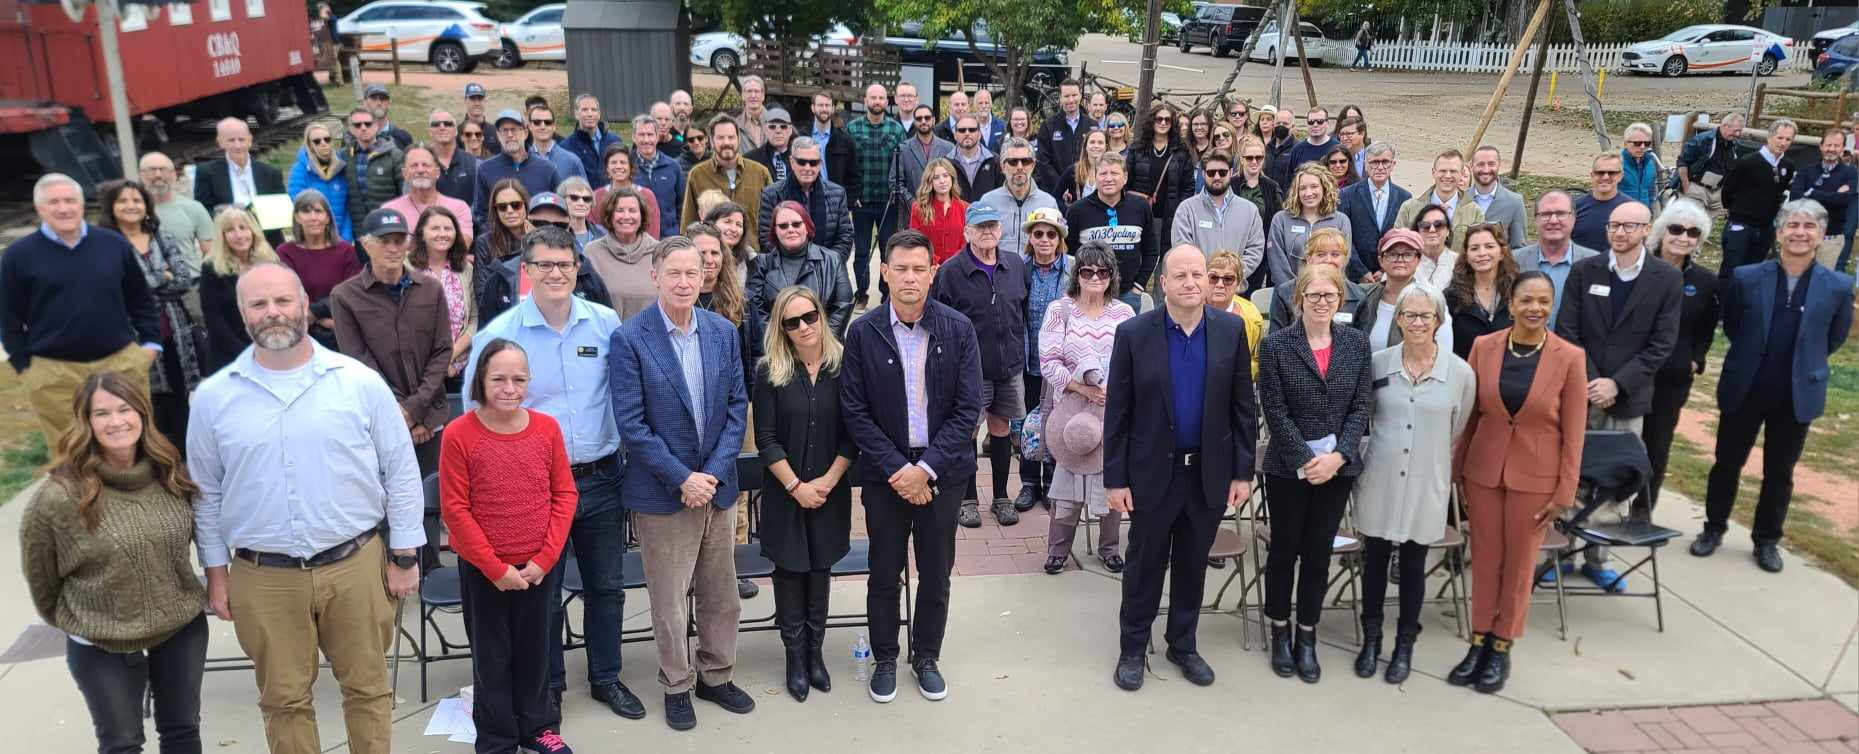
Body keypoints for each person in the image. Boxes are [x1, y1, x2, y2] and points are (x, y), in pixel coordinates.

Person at [187, 262, 424, 754]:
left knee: (368, 690)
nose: (272, 313)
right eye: (258, 304)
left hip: (356, 565)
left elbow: (400, 469)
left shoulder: (358, 383)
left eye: (282, 301)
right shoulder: (213, 399)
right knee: (284, 700)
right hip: (264, 574)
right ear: (242, 314)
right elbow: (205, 492)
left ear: (303, 306)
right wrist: (215, 572)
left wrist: (405, 554)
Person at [463, 225, 639, 721]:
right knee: (545, 593)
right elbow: (474, 414)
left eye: (565, 263)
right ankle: (549, 685)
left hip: (603, 478)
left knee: (606, 586)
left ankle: (606, 677)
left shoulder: (605, 324)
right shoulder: (499, 336)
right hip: (535, 490)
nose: (556, 273)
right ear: (527, 271)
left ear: (577, 267)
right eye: (545, 264)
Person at [22, 372, 208, 754]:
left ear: (142, 413)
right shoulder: (58, 496)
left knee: (182, 732)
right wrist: (82, 620)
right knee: (121, 744)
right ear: (86, 422)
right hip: (101, 640)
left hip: (179, 626)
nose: (116, 421)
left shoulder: (171, 473)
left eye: (125, 409)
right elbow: (42, 580)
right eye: (102, 413)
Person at [610, 236, 753, 730]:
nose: (685, 281)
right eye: (675, 273)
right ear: (655, 276)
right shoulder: (630, 339)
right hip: (663, 494)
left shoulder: (722, 332)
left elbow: (737, 409)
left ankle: (717, 675)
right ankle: (677, 683)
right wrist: (683, 478)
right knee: (670, 601)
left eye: (693, 273)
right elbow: (632, 425)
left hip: (717, 487)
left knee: (721, 593)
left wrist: (710, 474)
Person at [1105, 244, 1256, 691]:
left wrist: (1242, 472)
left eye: (1200, 274)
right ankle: (1132, 648)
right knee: (1144, 566)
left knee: (1192, 565)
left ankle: (1182, 644)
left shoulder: (1230, 330)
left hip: (1207, 475)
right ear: (1163, 284)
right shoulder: (1134, 334)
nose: (1193, 282)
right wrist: (1116, 478)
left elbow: (1242, 407)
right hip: (1152, 474)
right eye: (1182, 276)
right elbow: (1119, 411)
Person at [840, 229, 982, 704]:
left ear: (933, 271)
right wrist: (901, 470)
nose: (910, 277)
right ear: (884, 272)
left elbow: (968, 410)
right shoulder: (863, 331)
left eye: (919, 268)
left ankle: (926, 655)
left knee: (936, 571)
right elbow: (855, 412)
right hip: (887, 476)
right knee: (883, 571)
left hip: (942, 472)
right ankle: (884, 656)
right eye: (900, 268)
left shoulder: (958, 328)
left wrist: (928, 469)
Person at [1694, 199, 1854, 572]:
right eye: (1792, 225)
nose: (1799, 232)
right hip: (1746, 388)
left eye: (1808, 226)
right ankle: (1713, 528)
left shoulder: (1838, 286)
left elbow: (1833, 338)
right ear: (1779, 232)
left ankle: (1766, 540)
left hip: (1796, 394)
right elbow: (1733, 325)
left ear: (1819, 236)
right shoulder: (1748, 277)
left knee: (1779, 473)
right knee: (1726, 463)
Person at [439, 339, 579, 754]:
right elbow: (455, 508)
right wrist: (494, 568)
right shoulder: (459, 434)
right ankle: (498, 738)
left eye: (519, 379)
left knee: (537, 649)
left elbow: (564, 495)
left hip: (539, 565)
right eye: (498, 378)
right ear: (481, 379)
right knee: (492, 655)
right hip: (485, 570)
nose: (509, 387)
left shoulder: (546, 429)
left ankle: (538, 727)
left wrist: (545, 559)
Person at [1452, 271, 1587, 695]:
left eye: (1544, 301)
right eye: (1526, 300)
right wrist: (1457, 473)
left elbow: (1574, 432)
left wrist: (1566, 491)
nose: (1535, 308)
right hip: (1484, 473)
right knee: (1486, 559)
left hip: (1536, 478)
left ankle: (1502, 644)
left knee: (1519, 565)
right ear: (1510, 304)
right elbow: (1471, 416)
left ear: (1552, 305)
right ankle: (1478, 640)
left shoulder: (1570, 358)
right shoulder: (1484, 347)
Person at [1554, 200, 1682, 591]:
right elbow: (1567, 330)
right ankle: (1561, 555)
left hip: (1629, 397)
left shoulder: (1665, 279)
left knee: (1616, 479)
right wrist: (1592, 380)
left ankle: (1600, 558)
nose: (1620, 232)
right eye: (1614, 225)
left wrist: (1617, 383)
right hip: (1582, 391)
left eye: (1629, 226)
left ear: (1647, 230)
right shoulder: (1584, 270)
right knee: (1573, 472)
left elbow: (1662, 344)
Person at [1256, 262, 1373, 684]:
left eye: (1329, 296)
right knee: (1285, 550)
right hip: (1290, 468)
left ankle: (1307, 633)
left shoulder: (1357, 345)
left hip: (1337, 470)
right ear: (1298, 300)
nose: (1321, 302)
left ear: (1340, 300)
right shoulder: (1276, 346)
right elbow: (1275, 409)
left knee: (1318, 554)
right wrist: (1307, 458)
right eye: (1313, 296)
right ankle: (1280, 628)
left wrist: (1338, 457)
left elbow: (1362, 407)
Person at [1352, 282, 1473, 684]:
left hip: (1426, 479)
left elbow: (1458, 427)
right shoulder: (1379, 364)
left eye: (1426, 316)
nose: (1417, 322)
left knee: (1415, 565)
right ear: (1398, 319)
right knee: (1374, 561)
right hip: (1381, 475)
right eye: (1409, 315)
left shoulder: (1459, 373)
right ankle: (1371, 638)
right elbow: (1364, 417)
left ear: (1439, 321)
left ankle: (1405, 643)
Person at [752, 285, 856, 702]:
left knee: (819, 571)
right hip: (786, 493)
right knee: (790, 571)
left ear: (820, 316)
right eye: (792, 321)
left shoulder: (843, 366)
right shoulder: (770, 372)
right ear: (782, 327)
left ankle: (816, 654)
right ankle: (794, 657)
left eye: (809, 316)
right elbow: (766, 439)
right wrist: (796, 487)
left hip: (830, 490)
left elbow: (852, 436)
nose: (803, 327)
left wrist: (827, 482)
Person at [329, 208, 454, 472]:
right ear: (365, 244)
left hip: (432, 417)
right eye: (384, 241)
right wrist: (401, 413)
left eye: (399, 241)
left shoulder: (431, 289)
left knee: (436, 498)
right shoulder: (345, 297)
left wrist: (416, 409)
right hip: (380, 417)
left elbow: (442, 350)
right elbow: (359, 361)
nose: (393, 248)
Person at [931, 203, 1030, 528]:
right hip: (968, 369)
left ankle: (1001, 497)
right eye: (980, 226)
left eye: (992, 226)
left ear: (1000, 230)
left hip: (1009, 364)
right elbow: (939, 320)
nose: (987, 232)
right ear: (967, 232)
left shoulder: (1015, 265)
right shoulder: (951, 272)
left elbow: (1023, 310)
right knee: (967, 432)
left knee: (1001, 429)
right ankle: (968, 499)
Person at [1036, 240, 1132, 573]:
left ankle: (1110, 547)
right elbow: (1048, 362)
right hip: (1071, 409)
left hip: (1114, 406)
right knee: (1067, 480)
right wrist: (1084, 389)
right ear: (1078, 274)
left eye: (1102, 271)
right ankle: (1058, 551)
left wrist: (1112, 391)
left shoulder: (1124, 313)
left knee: (1112, 475)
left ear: (1111, 275)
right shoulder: (1059, 310)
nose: (1095, 277)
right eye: (1087, 270)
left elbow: (1134, 361)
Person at [94, 179, 204, 453]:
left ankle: (183, 464)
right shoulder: (105, 243)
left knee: (180, 401)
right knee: (144, 403)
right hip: (133, 339)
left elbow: (182, 280)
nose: (131, 206)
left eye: (137, 200)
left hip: (175, 333)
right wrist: (160, 276)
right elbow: (116, 290)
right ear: (111, 207)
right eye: (123, 201)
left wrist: (146, 284)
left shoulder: (161, 236)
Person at [1639, 200, 1718, 510]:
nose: (1683, 238)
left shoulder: (1704, 281)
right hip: (1632, 371)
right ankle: (1610, 502)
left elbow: (1707, 326)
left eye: (1692, 233)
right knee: (1622, 440)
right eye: (1676, 229)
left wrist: (1697, 357)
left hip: (1672, 377)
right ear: (1662, 230)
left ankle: (1643, 510)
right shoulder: (1639, 267)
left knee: (1657, 445)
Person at [1017, 209, 1071, 514]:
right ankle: (1029, 483)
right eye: (1038, 234)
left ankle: (1052, 483)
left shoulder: (1073, 269)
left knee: (1055, 423)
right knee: (1029, 423)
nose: (1045, 240)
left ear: (1060, 238)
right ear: (1030, 238)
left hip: (1062, 364)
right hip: (1028, 361)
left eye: (1051, 234)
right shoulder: (1019, 268)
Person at [1066, 155, 1157, 311]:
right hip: (1090, 294)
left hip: (1129, 295)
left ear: (1125, 177)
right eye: (1103, 174)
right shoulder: (1077, 211)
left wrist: (1138, 286)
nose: (1108, 178)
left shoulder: (1140, 207)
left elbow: (1151, 251)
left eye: (1114, 173)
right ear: (1095, 177)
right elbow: (1069, 255)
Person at [749, 201, 855, 334]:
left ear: (806, 226)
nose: (790, 229)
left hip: (824, 346)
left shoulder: (832, 260)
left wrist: (820, 343)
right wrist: (779, 345)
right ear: (775, 231)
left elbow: (843, 306)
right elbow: (756, 312)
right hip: (776, 349)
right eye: (783, 226)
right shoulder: (761, 264)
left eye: (796, 224)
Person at [847, 84, 908, 305]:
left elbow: (902, 164)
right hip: (861, 200)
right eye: (873, 97)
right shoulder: (852, 129)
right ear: (865, 101)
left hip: (888, 200)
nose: (877, 101)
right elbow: (848, 165)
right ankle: (861, 293)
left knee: (887, 250)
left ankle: (886, 295)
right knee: (862, 250)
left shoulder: (896, 129)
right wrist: (851, 194)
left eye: (881, 98)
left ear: (886, 101)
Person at [198, 206, 279, 372]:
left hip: (269, 349)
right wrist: (244, 352)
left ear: (253, 231)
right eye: (230, 230)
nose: (239, 235)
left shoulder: (269, 262)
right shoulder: (211, 267)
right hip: (229, 354)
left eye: (243, 228)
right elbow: (213, 318)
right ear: (222, 236)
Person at [275, 190, 358, 350]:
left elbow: (351, 292)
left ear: (327, 217)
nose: (313, 217)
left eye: (319, 211)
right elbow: (288, 292)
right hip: (299, 330)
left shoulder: (346, 251)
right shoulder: (285, 252)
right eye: (306, 211)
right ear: (297, 217)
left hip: (341, 329)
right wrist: (316, 319)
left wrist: (317, 313)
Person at [1172, 151, 1265, 290]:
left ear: (1231, 172)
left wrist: (1231, 275)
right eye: (1211, 173)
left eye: (1222, 172)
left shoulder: (1249, 210)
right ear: (1203, 174)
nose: (1217, 177)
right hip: (1199, 290)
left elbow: (1255, 249)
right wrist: (1205, 276)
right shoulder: (1186, 209)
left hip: (1235, 291)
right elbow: (1182, 248)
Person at [757, 136, 855, 259]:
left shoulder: (838, 194)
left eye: (813, 163)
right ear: (792, 162)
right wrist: (793, 264)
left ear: (820, 164)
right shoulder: (771, 194)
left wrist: (827, 265)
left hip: (827, 271)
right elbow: (766, 238)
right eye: (802, 162)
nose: (807, 168)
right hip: (785, 271)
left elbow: (845, 237)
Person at [411, 206, 476, 388]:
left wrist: (450, 356)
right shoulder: (406, 268)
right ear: (421, 234)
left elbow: (474, 320)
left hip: (459, 367)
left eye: (448, 228)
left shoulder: (466, 269)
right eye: (435, 228)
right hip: (418, 368)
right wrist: (435, 363)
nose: (442, 234)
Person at [1358, 228, 1455, 351]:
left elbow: (1443, 354)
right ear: (1381, 260)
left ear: (1418, 260)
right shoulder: (1362, 295)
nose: (1400, 259)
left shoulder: (1432, 302)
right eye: (1392, 254)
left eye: (1408, 254)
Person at [1512, 190, 1600, 322]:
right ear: (1535, 219)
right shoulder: (1514, 261)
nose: (1553, 220)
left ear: (1574, 218)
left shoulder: (1595, 263)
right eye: (1546, 214)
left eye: (1561, 213)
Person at [683, 115, 775, 234]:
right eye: (720, 138)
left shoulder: (760, 173)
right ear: (711, 141)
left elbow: (773, 219)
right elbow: (688, 224)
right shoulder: (697, 175)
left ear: (739, 139)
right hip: (713, 250)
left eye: (731, 137)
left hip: (754, 250)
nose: (726, 142)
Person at [475, 109, 563, 233]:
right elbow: (481, 214)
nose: (510, 135)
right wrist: (496, 238)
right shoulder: (485, 170)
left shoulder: (547, 169)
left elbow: (560, 209)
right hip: (501, 245)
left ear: (526, 133)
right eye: (504, 130)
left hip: (539, 242)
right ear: (498, 135)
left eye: (514, 129)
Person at [1266, 163, 1353, 287]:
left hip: (1329, 293)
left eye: (1314, 186)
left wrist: (1322, 290)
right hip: (1288, 294)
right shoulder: (1281, 219)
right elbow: (1276, 261)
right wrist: (1295, 291)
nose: (1308, 193)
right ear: (1296, 191)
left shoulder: (1341, 220)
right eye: (1303, 188)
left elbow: (1344, 258)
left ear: (1324, 188)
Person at [1267, 227, 1367, 332]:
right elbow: (1275, 339)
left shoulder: (1359, 296)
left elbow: (1361, 342)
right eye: (1321, 254)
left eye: (1335, 254)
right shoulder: (1284, 292)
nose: (1328, 260)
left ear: (1345, 259)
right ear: (1309, 259)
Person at [976, 137, 1061, 258]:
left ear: (1033, 165)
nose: (1020, 167)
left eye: (1025, 161)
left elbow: (1057, 247)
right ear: (1002, 166)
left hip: (1035, 274)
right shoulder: (988, 202)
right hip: (998, 273)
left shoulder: (1048, 203)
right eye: (1013, 162)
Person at [584, 186, 661, 319]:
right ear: (610, 215)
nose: (626, 216)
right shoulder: (592, 252)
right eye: (620, 210)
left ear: (642, 215)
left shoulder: (659, 252)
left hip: (651, 336)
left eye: (632, 211)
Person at [1338, 142, 1411, 282]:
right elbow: (1344, 237)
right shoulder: (1347, 195)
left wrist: (1386, 270)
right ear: (1365, 165)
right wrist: (1361, 272)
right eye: (1374, 162)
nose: (1380, 167)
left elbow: (1404, 238)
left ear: (1393, 164)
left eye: (1385, 162)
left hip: (1391, 276)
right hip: (1355, 278)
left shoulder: (1405, 198)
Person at [1445, 224, 1519, 359]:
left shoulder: (1518, 292)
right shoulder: (1452, 297)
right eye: (1474, 248)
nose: (1482, 253)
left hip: (1510, 374)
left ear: (1502, 253)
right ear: (1466, 255)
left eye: (1489, 246)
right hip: (1467, 374)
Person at [1128, 102, 1196, 248]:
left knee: (1166, 254)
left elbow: (1188, 186)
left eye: (1168, 120)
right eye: (1159, 119)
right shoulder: (1137, 149)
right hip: (1140, 211)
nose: (1163, 123)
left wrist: (1179, 208)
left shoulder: (1181, 152)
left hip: (1170, 215)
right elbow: (1127, 181)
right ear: (1152, 121)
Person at [1788, 128, 1856, 269]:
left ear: (1843, 148)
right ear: (1821, 146)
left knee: (1821, 283)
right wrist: (1834, 195)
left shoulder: (1850, 173)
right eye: (1828, 145)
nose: (1832, 149)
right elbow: (1795, 198)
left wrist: (1811, 193)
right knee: (1796, 278)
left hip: (1831, 237)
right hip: (1803, 235)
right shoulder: (1806, 171)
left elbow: (1845, 200)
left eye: (1836, 146)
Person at [382, 145, 475, 244]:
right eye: (414, 166)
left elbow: (461, 247)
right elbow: (389, 248)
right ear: (404, 173)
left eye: (426, 165)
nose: (420, 170)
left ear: (438, 172)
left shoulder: (458, 208)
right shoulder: (390, 211)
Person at [1395, 149, 1484, 251]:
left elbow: (1478, 252)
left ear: (1462, 173)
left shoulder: (1475, 212)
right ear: (1433, 172)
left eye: (1453, 171)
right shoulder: (1409, 209)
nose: (1447, 176)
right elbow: (1398, 247)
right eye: (1443, 171)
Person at [194, 117, 285, 213]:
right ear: (220, 142)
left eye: (241, 139)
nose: (237, 146)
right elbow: (203, 212)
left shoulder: (271, 173)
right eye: (231, 140)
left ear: (249, 140)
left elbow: (280, 211)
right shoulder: (207, 173)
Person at [286, 121, 356, 240]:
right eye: (317, 141)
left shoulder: (342, 167)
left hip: (342, 238)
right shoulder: (300, 170)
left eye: (327, 139)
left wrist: (346, 237)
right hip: (313, 237)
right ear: (309, 145)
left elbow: (349, 206)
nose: (323, 143)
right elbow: (299, 204)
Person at [891, 105, 958, 227]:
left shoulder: (949, 148)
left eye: (927, 118)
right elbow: (895, 182)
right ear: (914, 122)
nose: (923, 121)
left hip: (943, 212)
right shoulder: (903, 149)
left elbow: (954, 179)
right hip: (911, 214)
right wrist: (914, 204)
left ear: (933, 120)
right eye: (919, 118)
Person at [140, 151, 216, 259]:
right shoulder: (134, 211)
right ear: (141, 175)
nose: (158, 175)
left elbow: (212, 253)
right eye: (152, 170)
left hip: (191, 275)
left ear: (174, 175)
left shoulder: (194, 208)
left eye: (163, 169)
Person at [1204, 250, 1266, 380]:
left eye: (1228, 279)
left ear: (1238, 285)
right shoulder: (1190, 311)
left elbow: (1256, 360)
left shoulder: (1251, 317)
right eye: (1213, 278)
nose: (1220, 285)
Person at [1571, 152, 1644, 253]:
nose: (1605, 177)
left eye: (1612, 173)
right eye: (1600, 172)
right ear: (1592, 175)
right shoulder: (1574, 207)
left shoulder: (1633, 210)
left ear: (1620, 176)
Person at [1675, 112, 1747, 214]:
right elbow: (1682, 162)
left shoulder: (1734, 145)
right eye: (1736, 131)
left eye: (1740, 131)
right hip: (1697, 188)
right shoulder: (1702, 140)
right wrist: (1687, 187)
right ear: (1725, 126)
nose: (1738, 134)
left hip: (1717, 192)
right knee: (1694, 224)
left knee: (1707, 226)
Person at [631, 115, 686, 234]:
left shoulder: (673, 167)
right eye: (641, 135)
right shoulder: (626, 167)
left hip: (669, 237)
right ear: (634, 137)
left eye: (650, 135)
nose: (646, 140)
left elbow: (682, 204)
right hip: (637, 238)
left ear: (657, 137)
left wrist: (678, 232)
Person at [592, 146, 662, 239]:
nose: (618, 166)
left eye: (623, 162)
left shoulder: (647, 195)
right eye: (613, 163)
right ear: (607, 168)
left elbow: (652, 230)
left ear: (631, 167)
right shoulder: (597, 196)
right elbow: (593, 229)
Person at [473, 178, 534, 283]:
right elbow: (482, 291)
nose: (509, 211)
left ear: (526, 205)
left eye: (516, 205)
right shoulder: (484, 243)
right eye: (502, 207)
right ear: (495, 211)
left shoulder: (540, 238)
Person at [1466, 146, 1528, 250]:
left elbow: (1519, 249)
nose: (1486, 170)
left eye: (1491, 164)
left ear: (1499, 165)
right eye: (1480, 164)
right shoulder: (1460, 199)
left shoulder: (1515, 202)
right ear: (1471, 166)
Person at [908, 159, 967, 265]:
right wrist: (935, 263)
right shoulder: (918, 208)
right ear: (930, 181)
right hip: (929, 268)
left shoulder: (965, 208)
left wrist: (952, 265)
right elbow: (917, 242)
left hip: (959, 267)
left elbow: (967, 242)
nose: (942, 181)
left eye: (945, 175)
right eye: (936, 177)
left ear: (952, 178)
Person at [1036, 79, 1090, 194]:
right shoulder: (1048, 126)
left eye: (1074, 95)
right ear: (1060, 98)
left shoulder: (1092, 126)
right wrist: (1061, 187)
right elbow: (1044, 162)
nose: (1071, 100)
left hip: (1085, 191)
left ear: (1080, 95)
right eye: (1066, 96)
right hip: (1056, 192)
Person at [563, 93, 622, 189]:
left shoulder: (615, 141)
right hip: (584, 200)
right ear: (576, 114)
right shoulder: (567, 146)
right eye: (584, 110)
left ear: (599, 114)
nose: (589, 114)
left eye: (593, 110)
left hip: (613, 198)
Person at [525, 103, 588, 185]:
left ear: (554, 126)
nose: (543, 126)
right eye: (537, 122)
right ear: (529, 126)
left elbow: (585, 195)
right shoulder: (522, 160)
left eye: (548, 122)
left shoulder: (572, 162)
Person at [427, 107, 478, 204]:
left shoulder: (474, 163)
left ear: (456, 131)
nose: (442, 127)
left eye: (448, 124)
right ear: (429, 131)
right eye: (436, 124)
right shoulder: (420, 164)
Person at [948, 116, 1001, 202]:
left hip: (987, 214)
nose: (967, 133)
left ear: (979, 134)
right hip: (957, 214)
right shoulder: (946, 163)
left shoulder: (995, 161)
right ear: (955, 135)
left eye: (972, 130)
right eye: (962, 130)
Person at [704, 200, 758, 279]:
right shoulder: (697, 252)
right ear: (712, 224)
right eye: (727, 222)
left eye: (738, 225)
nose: (733, 229)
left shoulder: (751, 259)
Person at [1411, 204, 1459, 290]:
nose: (1432, 230)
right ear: (1418, 231)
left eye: (1439, 225)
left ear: (1448, 231)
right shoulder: (1406, 261)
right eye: (1425, 225)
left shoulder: (1460, 263)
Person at [1282, 107, 1339, 179]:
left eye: (1320, 121)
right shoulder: (1297, 149)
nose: (1315, 125)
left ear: (1327, 123)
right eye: (1311, 122)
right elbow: (1289, 181)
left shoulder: (1337, 147)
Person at [1058, 127, 1109, 207]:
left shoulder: (1112, 171)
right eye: (1092, 142)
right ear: (1086, 146)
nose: (1096, 146)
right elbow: (1056, 197)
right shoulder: (1073, 170)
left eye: (1100, 143)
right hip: (1078, 218)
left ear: (1106, 147)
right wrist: (1069, 212)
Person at [748, 106, 797, 186]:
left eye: (783, 126)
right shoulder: (751, 159)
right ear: (765, 130)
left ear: (790, 130)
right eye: (772, 127)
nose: (778, 131)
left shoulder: (802, 158)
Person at [1618, 124, 1660, 208]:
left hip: (1643, 215)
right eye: (1637, 143)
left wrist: (1649, 211)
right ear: (1625, 144)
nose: (1642, 147)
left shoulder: (1650, 163)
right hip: (1620, 216)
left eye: (1647, 143)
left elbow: (1651, 191)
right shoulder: (1616, 163)